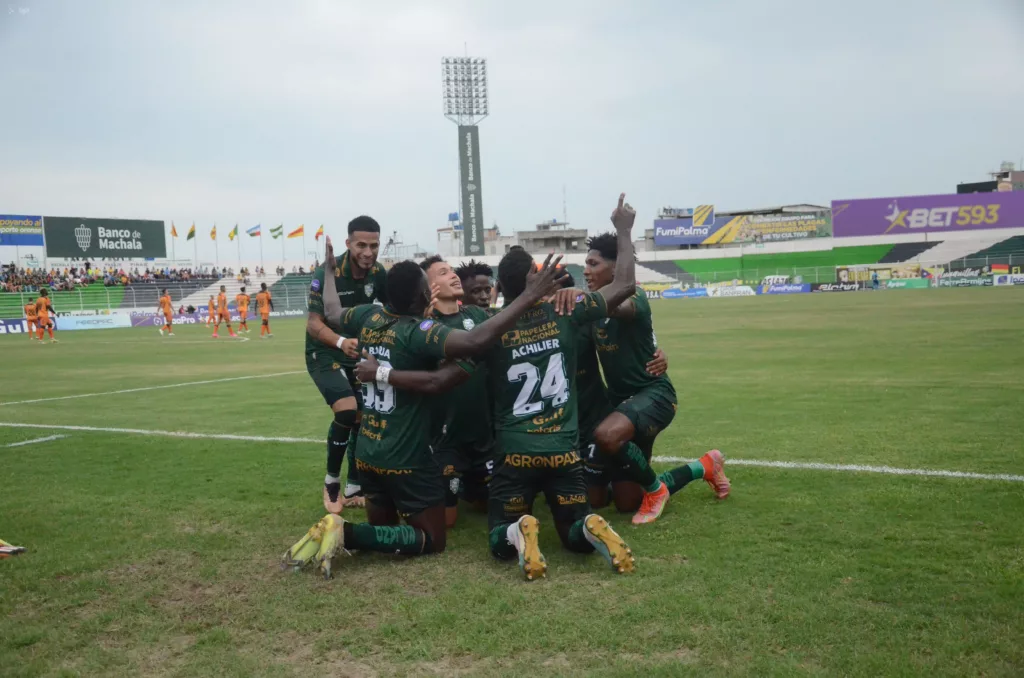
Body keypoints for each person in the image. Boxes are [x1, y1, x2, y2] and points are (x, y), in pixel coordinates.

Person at [366, 193, 642, 581]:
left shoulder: (489, 330)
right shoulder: (567, 310)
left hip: (515, 455)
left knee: (498, 536)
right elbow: (626, 284)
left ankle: (517, 531)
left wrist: (386, 371)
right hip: (563, 450)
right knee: (573, 530)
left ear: (503, 287)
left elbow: (443, 378)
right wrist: (624, 230)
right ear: (536, 278)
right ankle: (589, 526)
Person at [283, 238, 565, 579]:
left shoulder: (367, 316)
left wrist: (328, 272)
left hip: (370, 454)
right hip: (407, 457)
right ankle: (346, 532)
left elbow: (331, 311)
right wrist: (529, 297)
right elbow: (472, 344)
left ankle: (358, 531)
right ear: (421, 296)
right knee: (432, 538)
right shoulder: (418, 331)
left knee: (386, 527)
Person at [582, 232, 730, 525]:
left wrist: (623, 230)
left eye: (593, 263)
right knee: (626, 503)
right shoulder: (592, 308)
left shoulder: (632, 295)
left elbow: (623, 306)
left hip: (654, 395)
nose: (586, 270)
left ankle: (656, 491)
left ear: (616, 268)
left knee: (607, 435)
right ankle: (704, 466)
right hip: (622, 403)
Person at [305, 216, 389, 513]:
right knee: (347, 409)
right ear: (348, 243)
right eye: (361, 245)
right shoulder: (327, 271)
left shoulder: (379, 273)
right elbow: (314, 324)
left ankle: (355, 485)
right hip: (324, 352)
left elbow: (393, 311)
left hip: (356, 353)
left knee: (364, 417)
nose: (368, 252)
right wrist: (341, 342)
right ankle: (331, 482)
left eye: (374, 245)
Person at [414, 255, 498, 528]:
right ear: (429, 287)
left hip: (482, 438)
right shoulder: (421, 326)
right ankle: (447, 483)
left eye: (452, 270)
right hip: (445, 442)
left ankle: (469, 487)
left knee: (492, 507)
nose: (453, 275)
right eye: (443, 272)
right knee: (446, 522)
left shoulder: (475, 315)